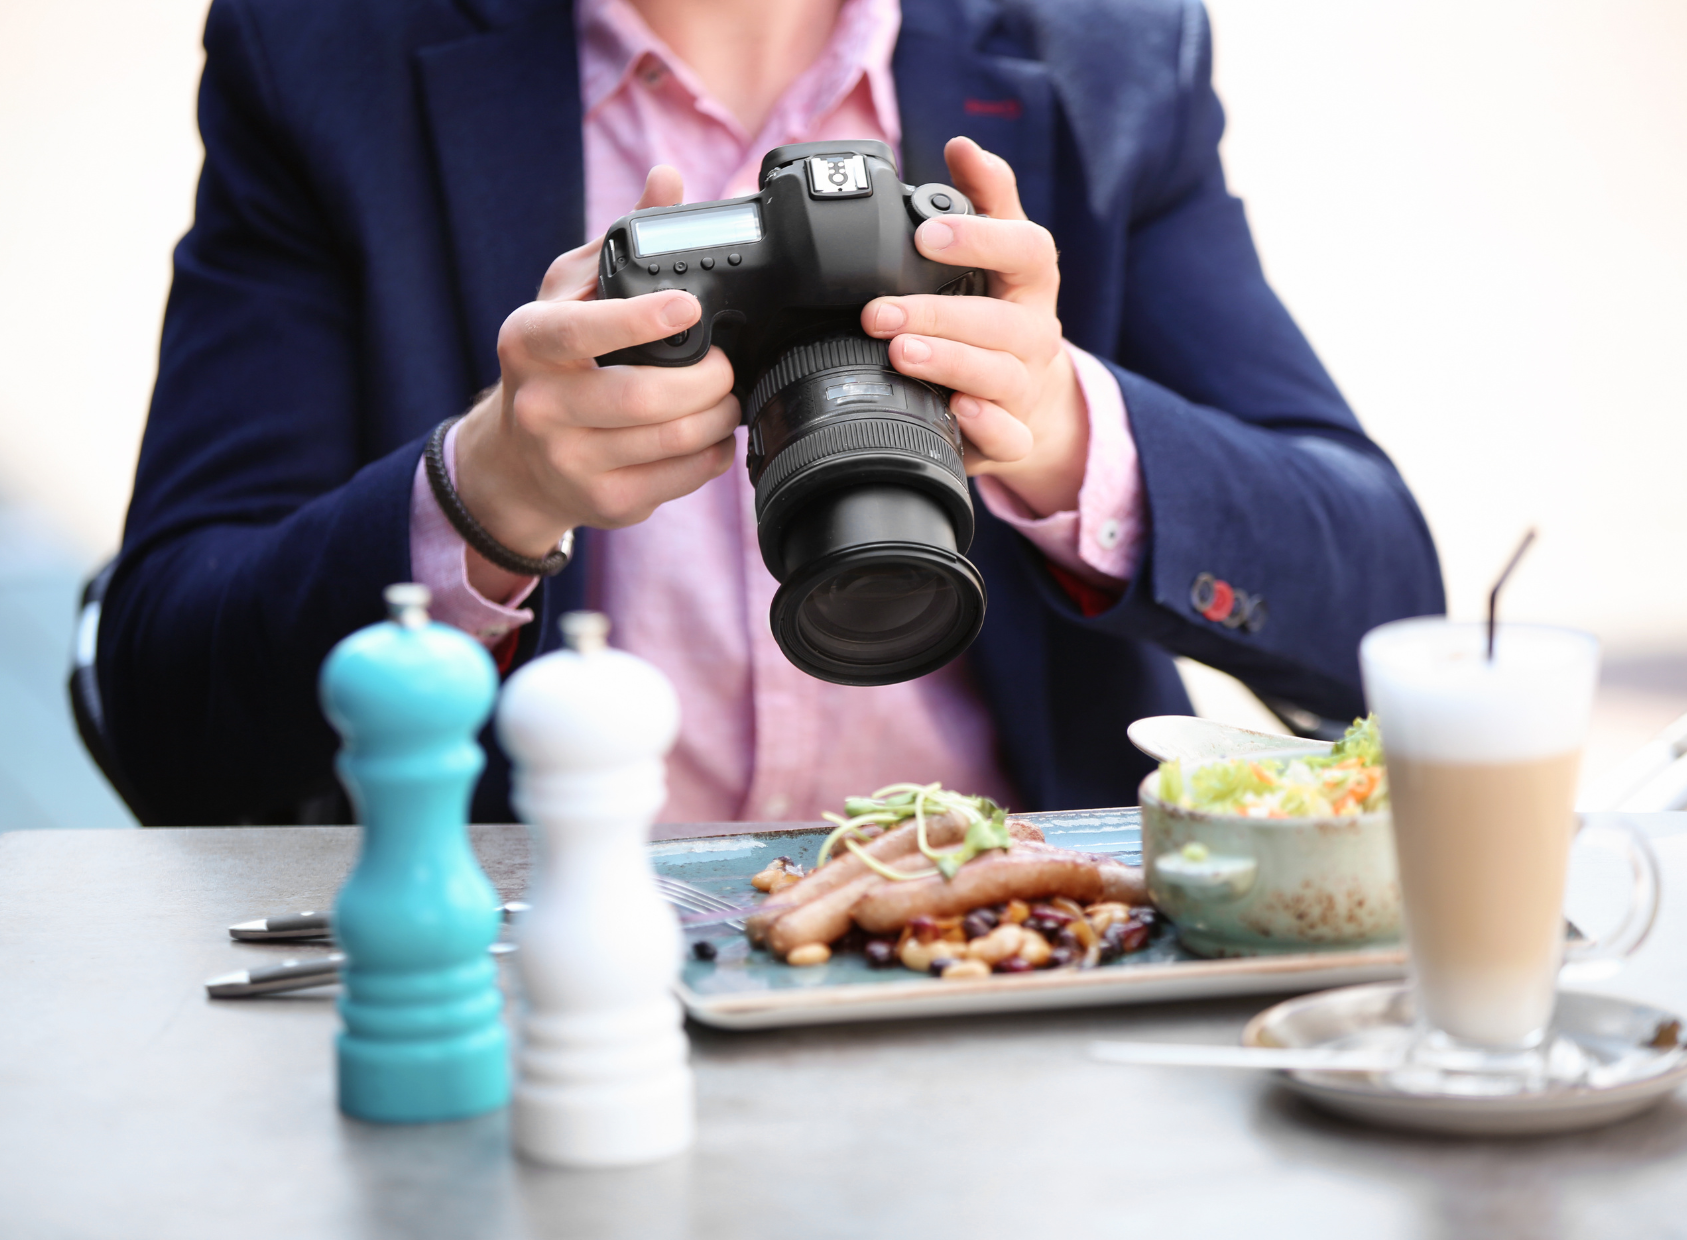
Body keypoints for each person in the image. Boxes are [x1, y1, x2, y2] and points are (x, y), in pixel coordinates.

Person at [94, 0, 1445, 826]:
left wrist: (1065, 428)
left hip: (1010, 957)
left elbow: (1382, 609)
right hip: (554, 972)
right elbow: (168, 706)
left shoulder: (1100, 49)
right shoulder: (324, 54)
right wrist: (486, 491)